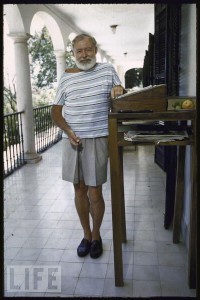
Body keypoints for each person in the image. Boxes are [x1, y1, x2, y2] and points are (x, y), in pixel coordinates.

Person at [51, 33, 124, 259]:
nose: (84, 55)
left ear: (95, 50)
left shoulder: (108, 71)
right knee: (79, 190)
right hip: (72, 140)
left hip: (99, 137)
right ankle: (86, 235)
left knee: (95, 192)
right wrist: (68, 131)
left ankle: (96, 235)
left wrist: (119, 91)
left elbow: (120, 97)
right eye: (79, 51)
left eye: (88, 49)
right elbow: (55, 111)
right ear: (73, 54)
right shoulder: (66, 77)